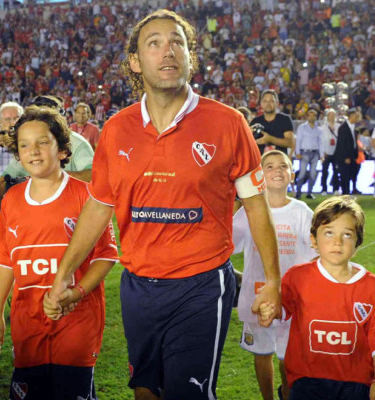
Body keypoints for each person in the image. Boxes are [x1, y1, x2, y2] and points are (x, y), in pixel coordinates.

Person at [44, 10, 280, 400]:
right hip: (138, 286)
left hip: (201, 284)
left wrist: (272, 280)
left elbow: (256, 206)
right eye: (153, 43)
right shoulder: (117, 130)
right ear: (136, 62)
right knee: (145, 392)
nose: (167, 51)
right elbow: (98, 208)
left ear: (190, 56)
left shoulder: (227, 123)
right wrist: (65, 272)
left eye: (177, 42)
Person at [0, 106, 118, 400]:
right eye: (24, 145)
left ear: (62, 149)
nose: (33, 151)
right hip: (26, 321)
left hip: (77, 319)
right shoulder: (11, 200)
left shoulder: (86, 196)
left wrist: (77, 293)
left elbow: (105, 256)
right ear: (18, 155)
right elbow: (7, 262)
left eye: (43, 142)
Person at [259, 196, 375, 400]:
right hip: (307, 380)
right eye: (329, 233)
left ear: (357, 244)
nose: (337, 242)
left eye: (347, 235)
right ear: (313, 240)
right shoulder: (297, 277)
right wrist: (270, 311)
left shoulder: (371, 286)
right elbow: (282, 310)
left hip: (356, 382)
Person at [234, 150, 315, 400]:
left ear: (291, 174)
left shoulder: (302, 211)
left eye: (283, 166)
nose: (277, 170)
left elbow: (315, 254)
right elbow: (227, 245)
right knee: (262, 353)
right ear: (259, 175)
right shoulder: (248, 212)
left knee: (288, 357)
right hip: (257, 297)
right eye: (269, 166)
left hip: (293, 299)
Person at [2, 96, 94, 183]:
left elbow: (92, 175)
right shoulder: (26, 144)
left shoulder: (77, 142)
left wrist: (49, 179)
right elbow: (1, 185)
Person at [251, 90, 294, 155]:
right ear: (261, 104)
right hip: (260, 162)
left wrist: (270, 139)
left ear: (277, 103)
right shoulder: (255, 121)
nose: (268, 104)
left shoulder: (285, 119)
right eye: (265, 101)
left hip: (279, 161)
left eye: (271, 101)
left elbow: (290, 143)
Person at [295, 108, 324, 199]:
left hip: (315, 153)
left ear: (316, 117)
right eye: (310, 115)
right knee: (302, 174)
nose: (311, 117)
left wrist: (322, 156)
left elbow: (321, 143)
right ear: (307, 117)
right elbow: (298, 140)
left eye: (313, 115)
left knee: (313, 174)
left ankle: (309, 192)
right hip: (304, 153)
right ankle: (298, 192)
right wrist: (298, 152)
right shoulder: (302, 127)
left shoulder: (319, 129)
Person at [334, 109, 359, 195]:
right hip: (345, 157)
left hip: (352, 156)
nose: (357, 118)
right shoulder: (343, 128)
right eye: (356, 116)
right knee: (345, 176)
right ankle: (345, 193)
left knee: (350, 174)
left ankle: (348, 192)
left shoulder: (353, 127)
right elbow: (342, 144)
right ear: (351, 116)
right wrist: (345, 157)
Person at [320, 109, 340, 195]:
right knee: (325, 171)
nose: (332, 117)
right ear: (327, 117)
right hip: (326, 152)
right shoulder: (322, 127)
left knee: (336, 171)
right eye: (330, 115)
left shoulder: (338, 126)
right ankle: (324, 189)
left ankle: (335, 189)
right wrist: (322, 152)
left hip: (336, 152)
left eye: (333, 115)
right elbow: (320, 141)